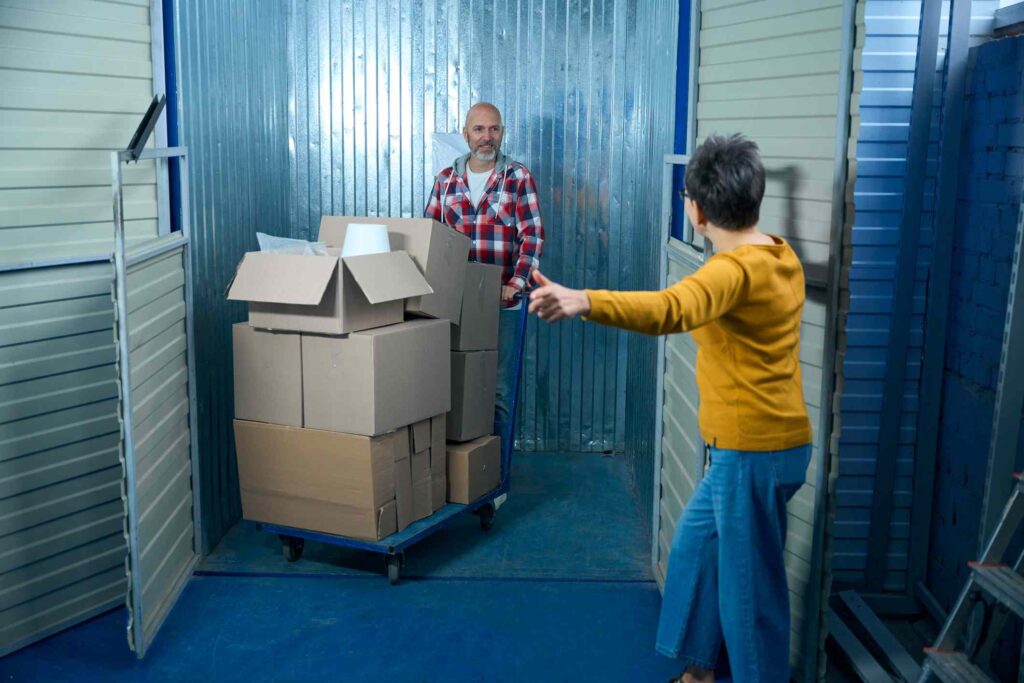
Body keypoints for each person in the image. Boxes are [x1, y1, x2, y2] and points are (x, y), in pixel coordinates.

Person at [528, 134, 812, 683]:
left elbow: (670, 308)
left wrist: (585, 300)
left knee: (750, 600)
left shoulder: (732, 273)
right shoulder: (778, 252)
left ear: (697, 211)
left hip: (751, 451)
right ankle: (700, 672)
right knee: (695, 551)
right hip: (767, 447)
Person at [424, 102, 545, 438]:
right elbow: (430, 235)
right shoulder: (446, 182)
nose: (486, 137)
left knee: (500, 390)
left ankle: (494, 474)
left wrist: (516, 282)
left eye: (493, 129)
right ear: (466, 134)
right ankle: (459, 466)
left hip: (502, 303)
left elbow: (532, 235)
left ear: (502, 133)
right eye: (478, 129)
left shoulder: (517, 177)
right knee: (453, 381)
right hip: (456, 303)